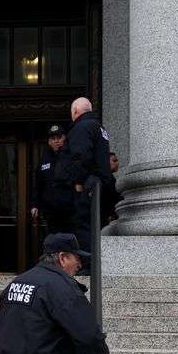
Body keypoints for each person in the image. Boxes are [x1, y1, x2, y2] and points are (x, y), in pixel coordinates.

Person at [65, 97, 113, 273]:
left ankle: (87, 266)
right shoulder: (99, 127)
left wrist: (78, 182)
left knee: (84, 225)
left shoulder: (82, 127)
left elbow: (80, 156)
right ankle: (94, 265)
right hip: (100, 184)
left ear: (76, 111)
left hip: (89, 184)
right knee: (94, 225)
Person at [30, 124, 76, 235]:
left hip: (69, 210)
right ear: (49, 141)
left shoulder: (71, 156)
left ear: (64, 138)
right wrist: (35, 204)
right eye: (53, 139)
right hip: (51, 211)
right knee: (53, 242)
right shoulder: (44, 159)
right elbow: (38, 183)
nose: (56, 141)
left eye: (59, 138)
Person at [100, 151, 124, 227]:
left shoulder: (110, 178)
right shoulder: (106, 179)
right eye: (114, 161)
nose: (117, 163)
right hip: (105, 218)